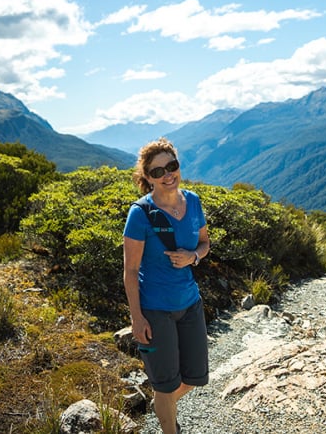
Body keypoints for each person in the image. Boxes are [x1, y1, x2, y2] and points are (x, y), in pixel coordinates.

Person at [123, 137, 211, 434]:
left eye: (171, 166)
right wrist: (137, 318)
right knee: (166, 384)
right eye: (158, 171)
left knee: (194, 378)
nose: (167, 175)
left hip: (190, 304)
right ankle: (168, 424)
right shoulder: (140, 214)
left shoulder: (194, 201)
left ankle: (163, 405)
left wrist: (193, 257)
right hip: (155, 309)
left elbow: (204, 243)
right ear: (148, 178)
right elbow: (131, 270)